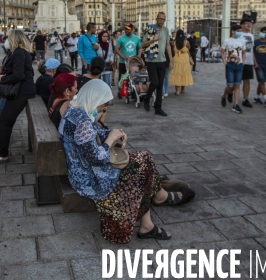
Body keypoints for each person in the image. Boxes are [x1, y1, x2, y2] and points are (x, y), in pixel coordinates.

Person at [58, 80, 183, 244]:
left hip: (81, 172)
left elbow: (91, 138)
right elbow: (97, 158)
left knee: (142, 161)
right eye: (102, 106)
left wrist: (114, 133)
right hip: (90, 179)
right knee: (142, 164)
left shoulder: (74, 112)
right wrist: (110, 140)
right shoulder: (82, 122)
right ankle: (158, 201)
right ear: (94, 99)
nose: (102, 110)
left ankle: (151, 217)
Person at [0, 30, 36, 164]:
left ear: (14, 39)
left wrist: (3, 78)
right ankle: (0, 151)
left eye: (9, 38)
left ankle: (2, 153)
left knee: (5, 121)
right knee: (5, 120)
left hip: (21, 92)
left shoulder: (19, 52)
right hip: (22, 91)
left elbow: (19, 75)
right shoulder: (20, 52)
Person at [140, 12, 173, 115]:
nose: (161, 21)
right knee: (155, 82)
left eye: (163, 19)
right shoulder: (150, 29)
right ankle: (147, 98)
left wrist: (171, 60)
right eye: (160, 19)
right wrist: (153, 40)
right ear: (156, 19)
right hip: (151, 60)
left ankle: (158, 107)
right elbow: (143, 44)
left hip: (162, 61)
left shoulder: (166, 30)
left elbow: (168, 45)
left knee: (160, 85)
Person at [221, 24, 247, 114]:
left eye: (240, 31)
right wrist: (225, 62)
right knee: (230, 85)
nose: (239, 32)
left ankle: (235, 105)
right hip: (230, 65)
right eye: (237, 31)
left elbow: (244, 52)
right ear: (232, 31)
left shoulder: (242, 41)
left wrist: (243, 62)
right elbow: (222, 52)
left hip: (239, 65)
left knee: (237, 85)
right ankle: (224, 96)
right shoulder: (227, 41)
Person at [238, 17, 257, 108]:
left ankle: (245, 99)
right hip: (239, 61)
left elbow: (251, 49)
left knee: (247, 81)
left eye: (250, 23)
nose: (249, 24)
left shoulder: (251, 36)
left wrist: (254, 61)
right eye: (246, 23)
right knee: (236, 81)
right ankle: (230, 93)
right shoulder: (238, 34)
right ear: (242, 25)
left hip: (249, 61)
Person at [168, 30, 193, 95]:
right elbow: (189, 48)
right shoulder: (186, 42)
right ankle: (183, 89)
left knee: (177, 73)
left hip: (176, 58)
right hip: (185, 59)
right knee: (184, 73)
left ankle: (177, 91)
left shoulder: (173, 42)